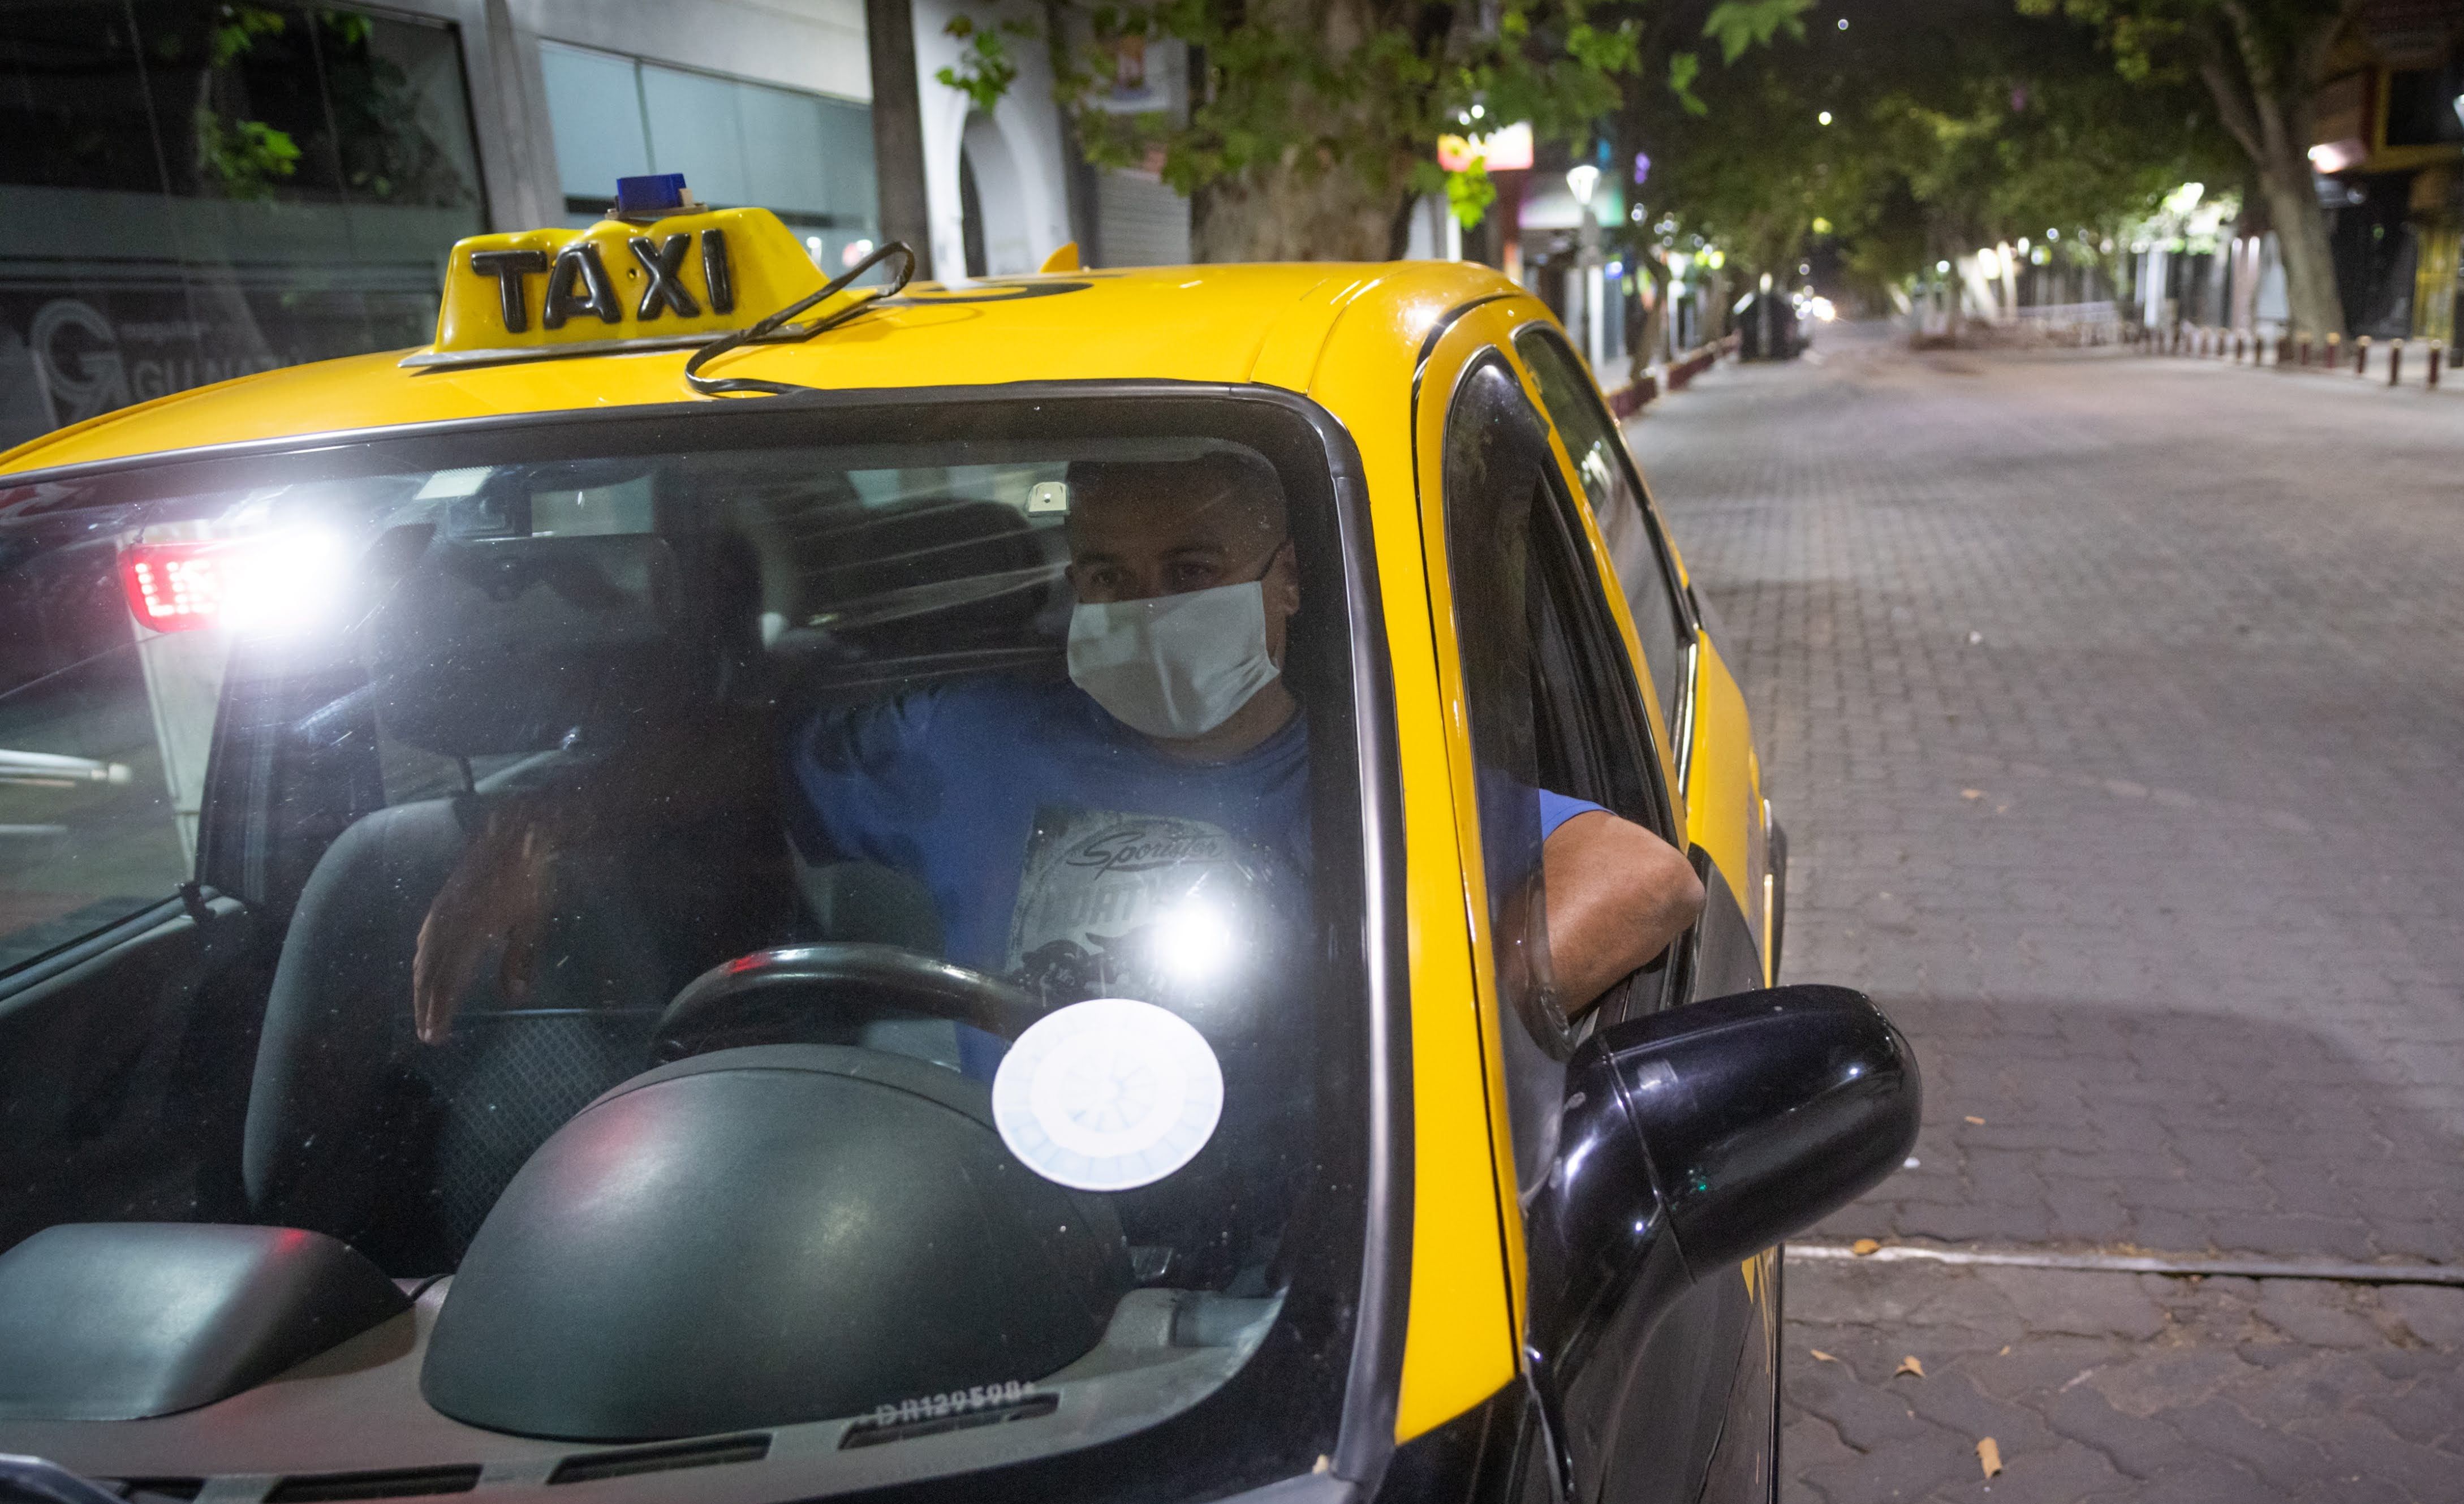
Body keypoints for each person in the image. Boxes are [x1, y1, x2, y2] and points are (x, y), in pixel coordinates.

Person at [411, 452, 1705, 1058]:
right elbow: (754, 751)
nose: (1142, 605)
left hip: (1307, 1266)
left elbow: (1641, 874)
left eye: (1187, 571)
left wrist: (1431, 1034)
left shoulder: (1377, 775)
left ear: (1287, 580)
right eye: (1103, 573)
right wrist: (547, 823)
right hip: (1005, 1227)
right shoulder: (969, 740)